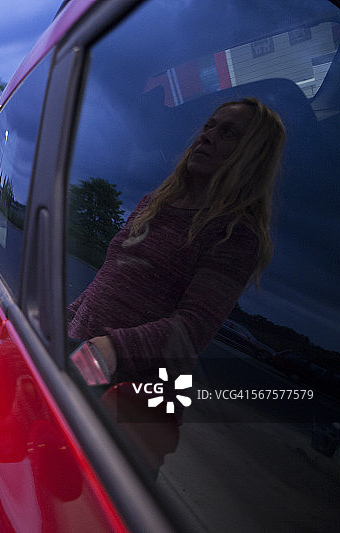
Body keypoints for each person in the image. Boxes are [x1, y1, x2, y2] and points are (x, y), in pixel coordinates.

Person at [68, 98, 286, 383]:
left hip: (122, 388)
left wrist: (112, 349)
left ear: (253, 156)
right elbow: (107, 281)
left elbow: (193, 328)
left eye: (228, 133)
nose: (207, 136)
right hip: (80, 354)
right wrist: (65, 319)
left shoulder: (234, 234)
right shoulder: (155, 203)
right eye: (209, 126)